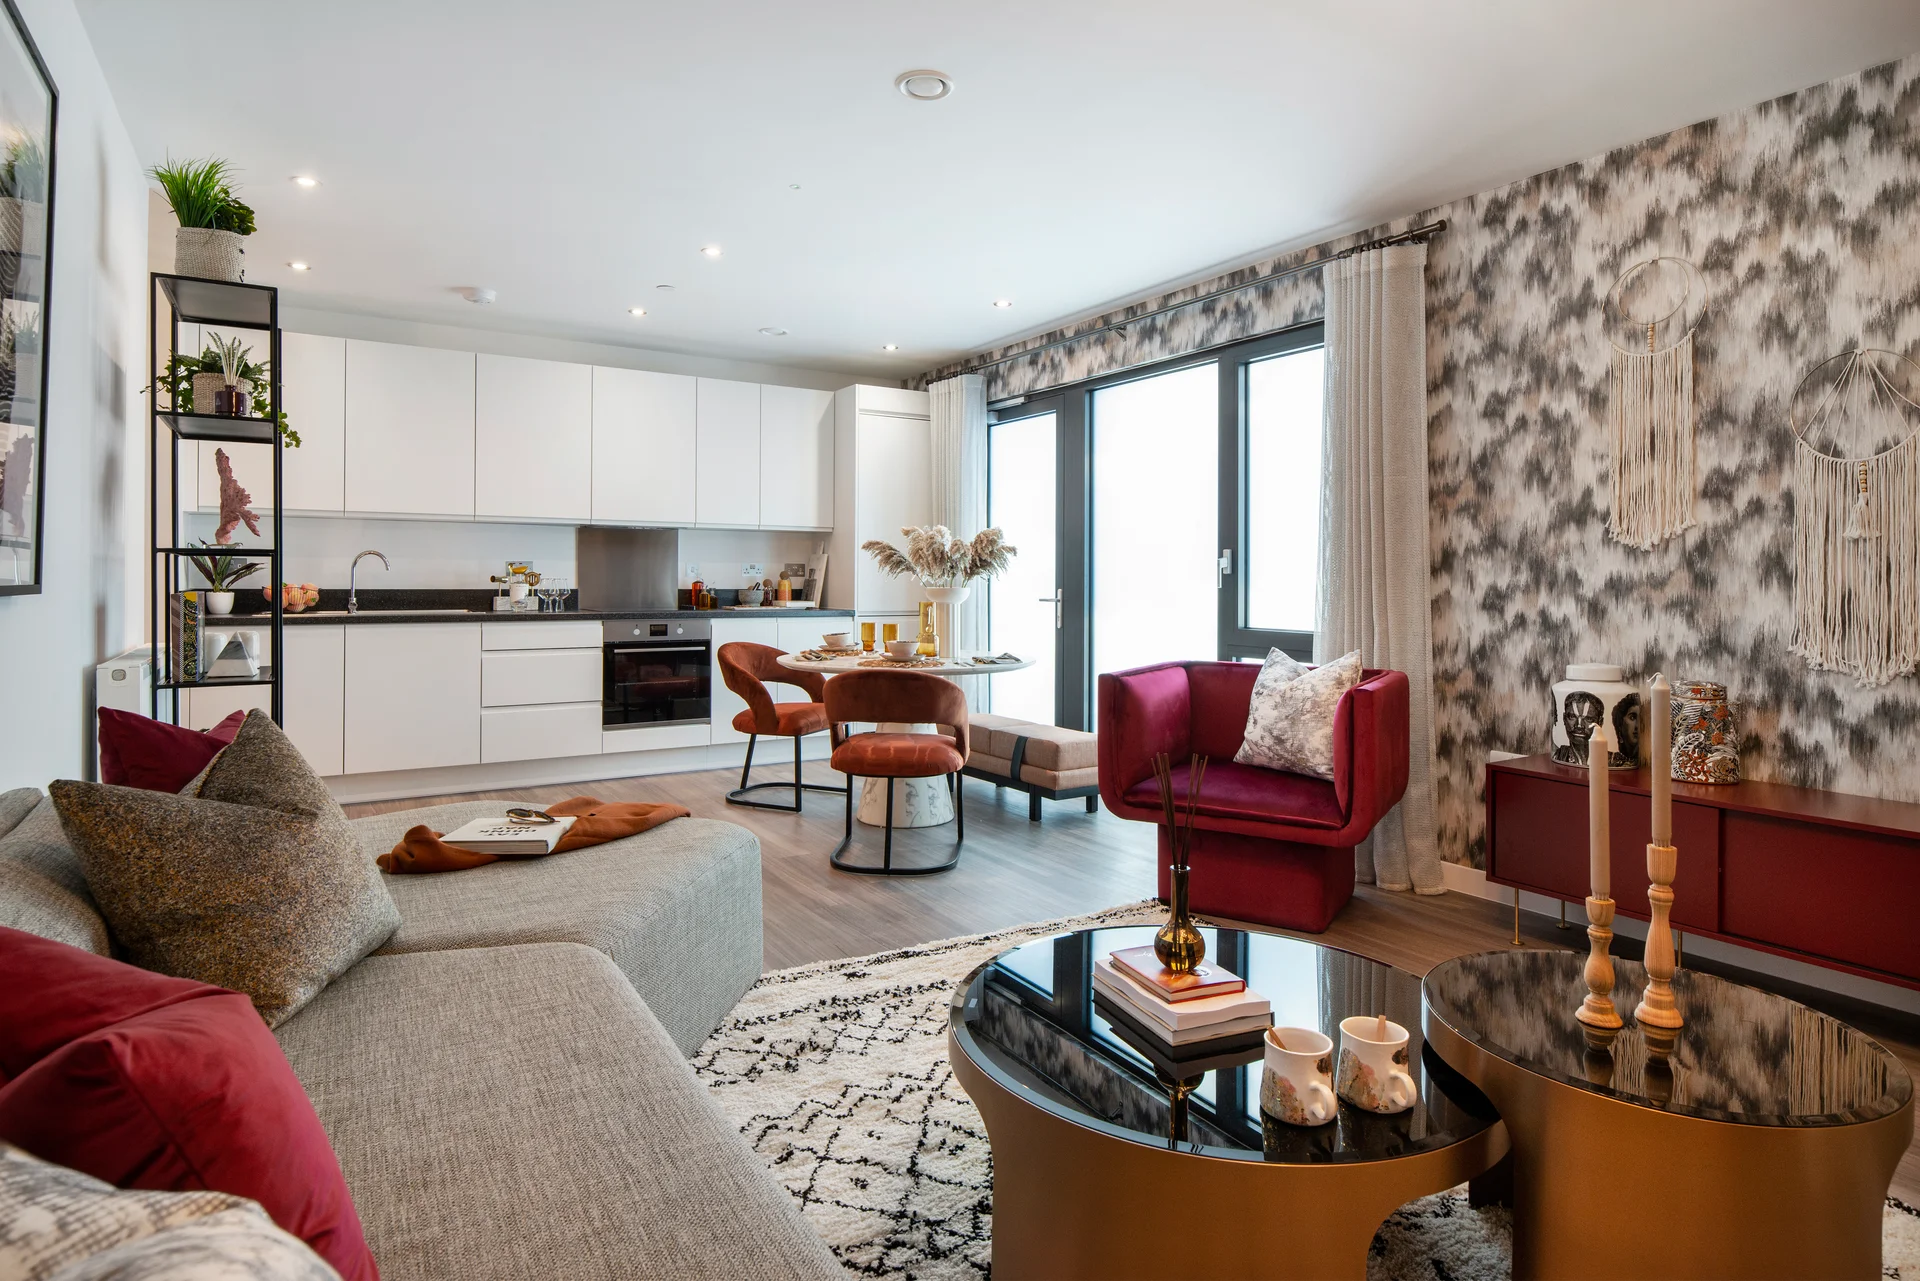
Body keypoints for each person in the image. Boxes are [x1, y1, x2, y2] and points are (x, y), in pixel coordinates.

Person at [1552, 691, 1605, 765]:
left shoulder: (1613, 761)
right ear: (1564, 719)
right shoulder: (1557, 756)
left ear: (1600, 722)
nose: (1579, 725)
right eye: (1572, 717)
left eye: (1588, 719)